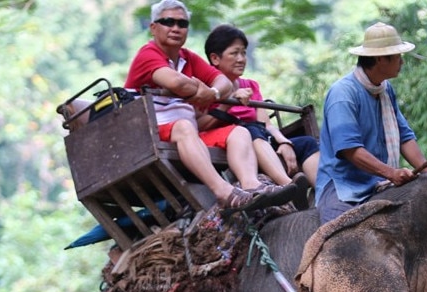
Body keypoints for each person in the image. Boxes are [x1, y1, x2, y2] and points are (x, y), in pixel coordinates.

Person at [124, 0, 298, 215]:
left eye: (182, 23)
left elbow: (223, 83)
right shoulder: (148, 54)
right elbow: (176, 83)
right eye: (168, 22)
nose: (176, 28)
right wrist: (200, 86)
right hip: (152, 132)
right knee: (184, 127)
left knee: (239, 132)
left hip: (188, 133)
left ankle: (252, 186)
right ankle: (223, 192)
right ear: (153, 27)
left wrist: (213, 93)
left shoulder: (187, 57)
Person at [316, 22, 427, 224]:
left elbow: (405, 138)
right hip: (343, 188)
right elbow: (350, 150)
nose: (402, 62)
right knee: (342, 243)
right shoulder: (343, 94)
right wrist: (391, 173)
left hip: (379, 181)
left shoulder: (386, 90)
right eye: (397, 56)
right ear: (380, 59)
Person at [200, 24, 320, 209]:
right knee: (250, 129)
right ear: (215, 58)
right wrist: (229, 100)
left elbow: (266, 124)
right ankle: (289, 186)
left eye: (243, 53)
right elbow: (201, 124)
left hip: (261, 137)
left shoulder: (251, 85)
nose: (241, 59)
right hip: (234, 142)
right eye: (234, 53)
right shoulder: (207, 87)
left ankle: (323, 193)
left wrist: (283, 142)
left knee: (306, 144)